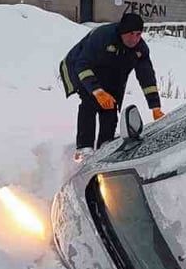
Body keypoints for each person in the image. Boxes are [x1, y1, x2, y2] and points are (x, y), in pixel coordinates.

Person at [59, 11, 165, 160]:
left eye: (139, 34)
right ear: (122, 32)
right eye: (131, 34)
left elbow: (146, 77)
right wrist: (97, 91)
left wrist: (155, 107)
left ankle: (105, 146)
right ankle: (84, 147)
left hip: (112, 75)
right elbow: (82, 65)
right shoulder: (102, 36)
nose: (135, 39)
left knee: (110, 107)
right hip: (82, 68)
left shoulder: (140, 49)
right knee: (89, 103)